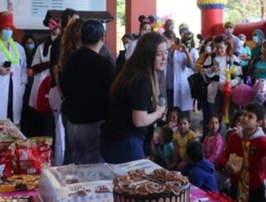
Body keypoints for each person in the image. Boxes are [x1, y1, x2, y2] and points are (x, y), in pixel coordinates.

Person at [100, 32, 167, 163]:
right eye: (159, 54)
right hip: (125, 142)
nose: (164, 58)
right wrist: (158, 113)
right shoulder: (142, 79)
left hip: (115, 140)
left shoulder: (132, 71)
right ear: (147, 55)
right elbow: (139, 120)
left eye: (166, 53)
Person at [61, 20, 115, 164]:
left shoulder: (71, 60)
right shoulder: (105, 65)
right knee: (94, 172)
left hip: (72, 124)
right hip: (94, 125)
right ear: (102, 37)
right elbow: (112, 95)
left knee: (78, 166)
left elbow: (64, 88)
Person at [218, 102, 266, 201]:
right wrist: (227, 164)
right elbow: (225, 155)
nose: (245, 118)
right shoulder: (234, 137)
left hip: (255, 188)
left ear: (259, 122)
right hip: (236, 184)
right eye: (244, 115)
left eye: (250, 117)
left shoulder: (261, 140)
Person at [201, 34, 243, 121]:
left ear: (227, 46)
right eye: (216, 47)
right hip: (214, 93)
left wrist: (231, 83)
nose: (219, 50)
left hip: (230, 93)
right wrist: (211, 70)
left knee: (230, 118)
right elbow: (203, 74)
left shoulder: (232, 58)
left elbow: (239, 76)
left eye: (221, 47)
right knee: (214, 118)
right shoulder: (211, 58)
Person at [0, 12, 27, 124]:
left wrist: (23, 82)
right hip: (1, 87)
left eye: (10, 28)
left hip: (15, 88)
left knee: (14, 119)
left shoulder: (19, 48)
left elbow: (24, 67)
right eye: (5, 28)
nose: (8, 31)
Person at [163, 30, 193, 112]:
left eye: (165, 41)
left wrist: (186, 52)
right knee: (168, 111)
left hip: (179, 87)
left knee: (181, 112)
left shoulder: (180, 52)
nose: (163, 43)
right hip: (166, 87)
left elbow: (190, 64)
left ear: (172, 41)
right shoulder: (162, 52)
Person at [19, 33, 40, 137]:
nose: (29, 45)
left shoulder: (38, 53)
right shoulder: (22, 55)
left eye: (31, 43)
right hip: (26, 88)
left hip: (35, 86)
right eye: (27, 43)